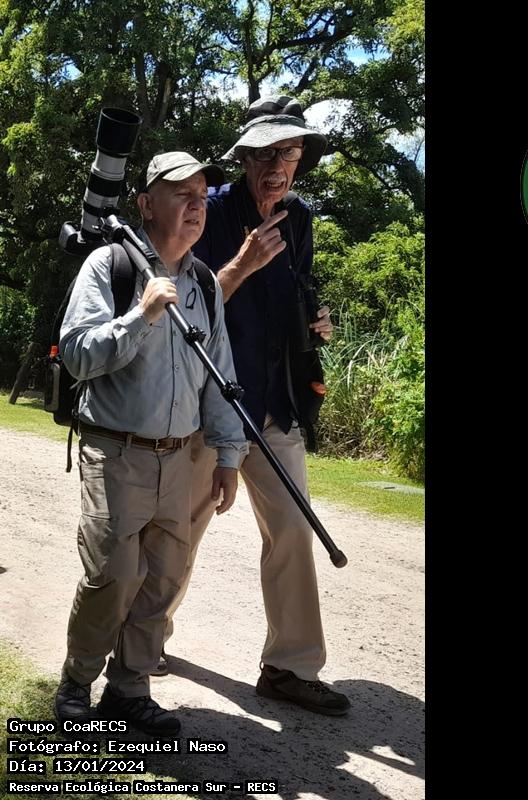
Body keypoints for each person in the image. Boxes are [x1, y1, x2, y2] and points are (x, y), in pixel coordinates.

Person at [160, 96, 349, 716]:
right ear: (244, 158)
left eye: (288, 153)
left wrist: (316, 320)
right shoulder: (208, 211)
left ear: (300, 159)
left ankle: (290, 667)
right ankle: (143, 642)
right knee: (180, 530)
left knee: (293, 528)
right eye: (265, 154)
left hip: (273, 405)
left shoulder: (300, 219)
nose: (277, 167)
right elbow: (183, 306)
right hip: (207, 403)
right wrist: (240, 265)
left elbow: (298, 290)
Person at [53, 152, 249, 735]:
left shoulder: (205, 283)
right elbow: (78, 354)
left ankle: (129, 690)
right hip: (114, 451)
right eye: (181, 193)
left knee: (162, 581)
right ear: (145, 204)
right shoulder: (109, 266)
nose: (196, 206)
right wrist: (141, 315)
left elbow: (220, 373)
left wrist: (228, 455)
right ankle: (77, 683)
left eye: (202, 196)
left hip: (180, 456)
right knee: (113, 577)